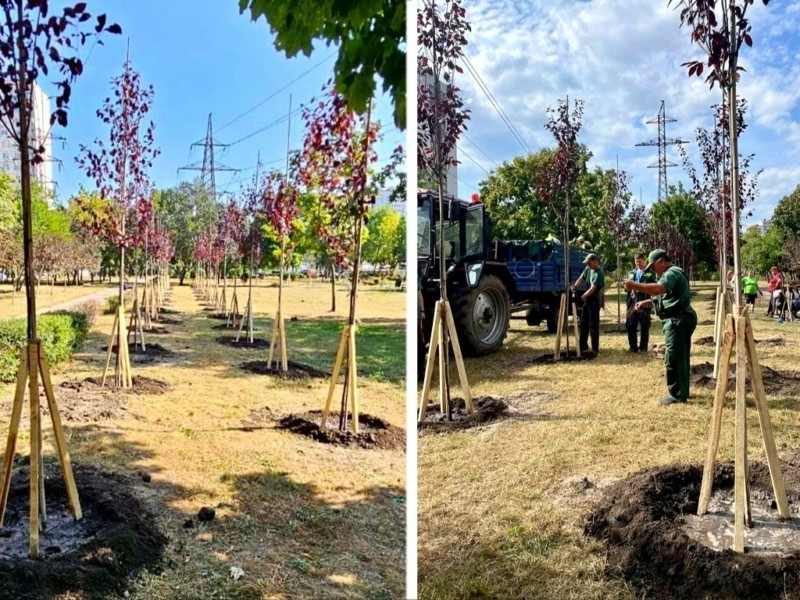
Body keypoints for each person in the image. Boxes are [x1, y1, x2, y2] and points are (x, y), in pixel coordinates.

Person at [623, 249, 697, 406]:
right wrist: (646, 303)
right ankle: (683, 391)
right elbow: (665, 298)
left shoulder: (671, 273)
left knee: (674, 358)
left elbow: (658, 289)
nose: (652, 270)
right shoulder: (671, 274)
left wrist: (633, 285)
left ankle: (677, 395)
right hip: (680, 319)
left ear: (661, 262)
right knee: (681, 356)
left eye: (653, 267)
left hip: (677, 320)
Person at [626, 253, 657, 352]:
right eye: (636, 261)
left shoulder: (650, 273)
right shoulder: (631, 273)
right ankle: (633, 346)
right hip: (632, 302)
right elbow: (626, 288)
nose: (638, 263)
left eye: (640, 261)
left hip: (645, 302)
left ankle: (643, 347)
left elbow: (654, 287)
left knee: (644, 325)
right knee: (630, 324)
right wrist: (627, 287)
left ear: (645, 261)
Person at [574, 253, 604, 354]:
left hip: (595, 301)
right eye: (587, 263)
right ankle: (583, 347)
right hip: (587, 301)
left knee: (593, 325)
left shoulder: (599, 273)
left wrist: (582, 296)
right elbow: (581, 279)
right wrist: (574, 288)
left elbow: (592, 289)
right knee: (583, 323)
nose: (588, 265)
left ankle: (595, 349)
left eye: (589, 263)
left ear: (595, 262)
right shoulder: (588, 269)